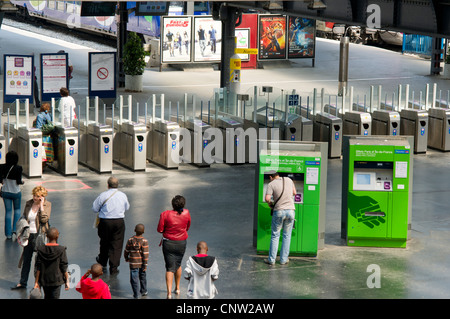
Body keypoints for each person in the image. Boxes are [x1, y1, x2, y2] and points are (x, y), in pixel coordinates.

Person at [12, 186, 51, 290]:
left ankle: (37, 283)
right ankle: (23, 282)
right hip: (29, 235)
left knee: (39, 261)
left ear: (42, 197)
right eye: (34, 195)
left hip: (40, 235)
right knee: (26, 259)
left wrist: (41, 206)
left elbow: (44, 220)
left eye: (37, 196)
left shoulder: (47, 204)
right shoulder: (29, 203)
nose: (34, 197)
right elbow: (25, 216)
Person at [92, 176, 130, 275]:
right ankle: (114, 267)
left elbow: (94, 208)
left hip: (105, 222)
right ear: (117, 185)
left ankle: (102, 262)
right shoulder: (123, 195)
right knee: (117, 244)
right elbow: (127, 207)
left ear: (108, 185)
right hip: (119, 222)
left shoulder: (103, 195)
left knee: (104, 242)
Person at [157, 195, 191, 299]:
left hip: (168, 243)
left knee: (169, 267)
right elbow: (187, 227)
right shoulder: (186, 213)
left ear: (172, 204)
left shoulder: (165, 214)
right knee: (178, 264)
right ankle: (178, 288)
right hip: (181, 242)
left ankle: (169, 293)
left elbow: (160, 229)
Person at [264, 172, 296, 266]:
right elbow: (294, 193)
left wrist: (270, 203)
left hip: (279, 211)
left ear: (271, 177)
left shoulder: (271, 184)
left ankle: (272, 260)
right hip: (290, 211)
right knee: (287, 235)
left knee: (275, 235)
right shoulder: (289, 180)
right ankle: (283, 260)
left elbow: (267, 198)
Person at [34, 227, 69, 299]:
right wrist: (67, 281)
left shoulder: (41, 249)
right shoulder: (61, 249)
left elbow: (38, 266)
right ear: (57, 236)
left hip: (44, 279)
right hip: (57, 280)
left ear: (47, 236)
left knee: (47, 296)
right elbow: (64, 266)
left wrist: (36, 282)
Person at [0, 151, 24, 240]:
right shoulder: (18, 168)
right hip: (16, 192)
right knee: (17, 210)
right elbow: (19, 181)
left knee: (8, 212)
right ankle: (16, 229)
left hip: (6, 192)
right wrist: (22, 182)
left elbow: (0, 180)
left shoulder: (2, 167)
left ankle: (8, 234)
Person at [124, 223, 149, 299]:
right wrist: (145, 265)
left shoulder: (130, 240)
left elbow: (126, 250)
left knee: (133, 278)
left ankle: (136, 294)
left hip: (133, 262)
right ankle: (144, 291)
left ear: (134, 230)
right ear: (143, 232)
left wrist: (126, 258)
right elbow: (145, 254)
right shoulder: (144, 241)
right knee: (142, 276)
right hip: (141, 263)